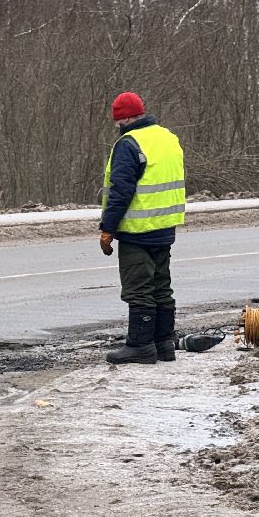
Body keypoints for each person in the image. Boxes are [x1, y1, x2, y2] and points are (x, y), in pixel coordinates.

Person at [98, 91, 185, 365]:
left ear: (122, 119)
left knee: (139, 289)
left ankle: (140, 345)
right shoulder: (167, 137)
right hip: (165, 226)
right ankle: (164, 344)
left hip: (138, 230)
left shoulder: (129, 143)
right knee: (162, 286)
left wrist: (107, 228)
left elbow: (121, 191)